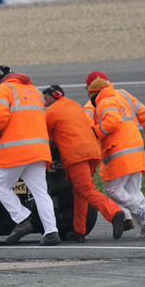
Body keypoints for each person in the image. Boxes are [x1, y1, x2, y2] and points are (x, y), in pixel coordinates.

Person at [0, 65, 60, 246]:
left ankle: (22, 219)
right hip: (39, 150)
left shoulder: (3, 89)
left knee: (0, 185)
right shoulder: (33, 90)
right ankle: (51, 232)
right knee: (40, 192)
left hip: (15, 150)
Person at [42, 85, 125, 242]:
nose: (44, 102)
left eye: (46, 99)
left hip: (76, 155)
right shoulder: (75, 105)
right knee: (79, 192)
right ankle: (79, 231)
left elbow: (44, 138)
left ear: (55, 96)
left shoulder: (49, 112)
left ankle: (114, 213)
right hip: (92, 151)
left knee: (86, 190)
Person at [83, 71, 145, 232]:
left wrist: (93, 136)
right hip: (136, 148)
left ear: (93, 90)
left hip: (116, 151)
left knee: (113, 189)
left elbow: (92, 129)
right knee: (133, 190)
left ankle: (140, 213)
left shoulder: (96, 104)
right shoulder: (124, 95)